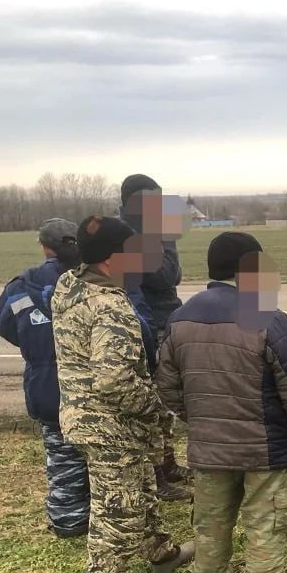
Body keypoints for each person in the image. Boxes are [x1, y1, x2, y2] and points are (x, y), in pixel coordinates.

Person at [155, 232, 287, 573]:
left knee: (211, 527)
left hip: (208, 449)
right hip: (265, 451)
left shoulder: (180, 318)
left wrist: (200, 420)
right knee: (265, 530)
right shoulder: (268, 316)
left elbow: (167, 386)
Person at [51, 215, 195, 573]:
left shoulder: (71, 285)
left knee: (143, 485)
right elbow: (115, 380)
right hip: (107, 423)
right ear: (113, 259)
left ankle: (161, 553)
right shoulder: (109, 306)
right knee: (117, 507)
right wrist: (156, 406)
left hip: (89, 415)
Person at [0, 219, 91, 537]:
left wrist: (37, 347)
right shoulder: (95, 279)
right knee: (100, 455)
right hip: (91, 383)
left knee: (62, 456)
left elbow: (5, 324)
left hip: (47, 386)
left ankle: (69, 521)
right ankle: (106, 520)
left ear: (44, 246)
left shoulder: (22, 285)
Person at [119, 173, 191, 502]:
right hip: (146, 325)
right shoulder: (129, 234)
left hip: (165, 319)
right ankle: (157, 476)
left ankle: (168, 462)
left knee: (166, 401)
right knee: (151, 402)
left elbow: (172, 273)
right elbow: (163, 276)